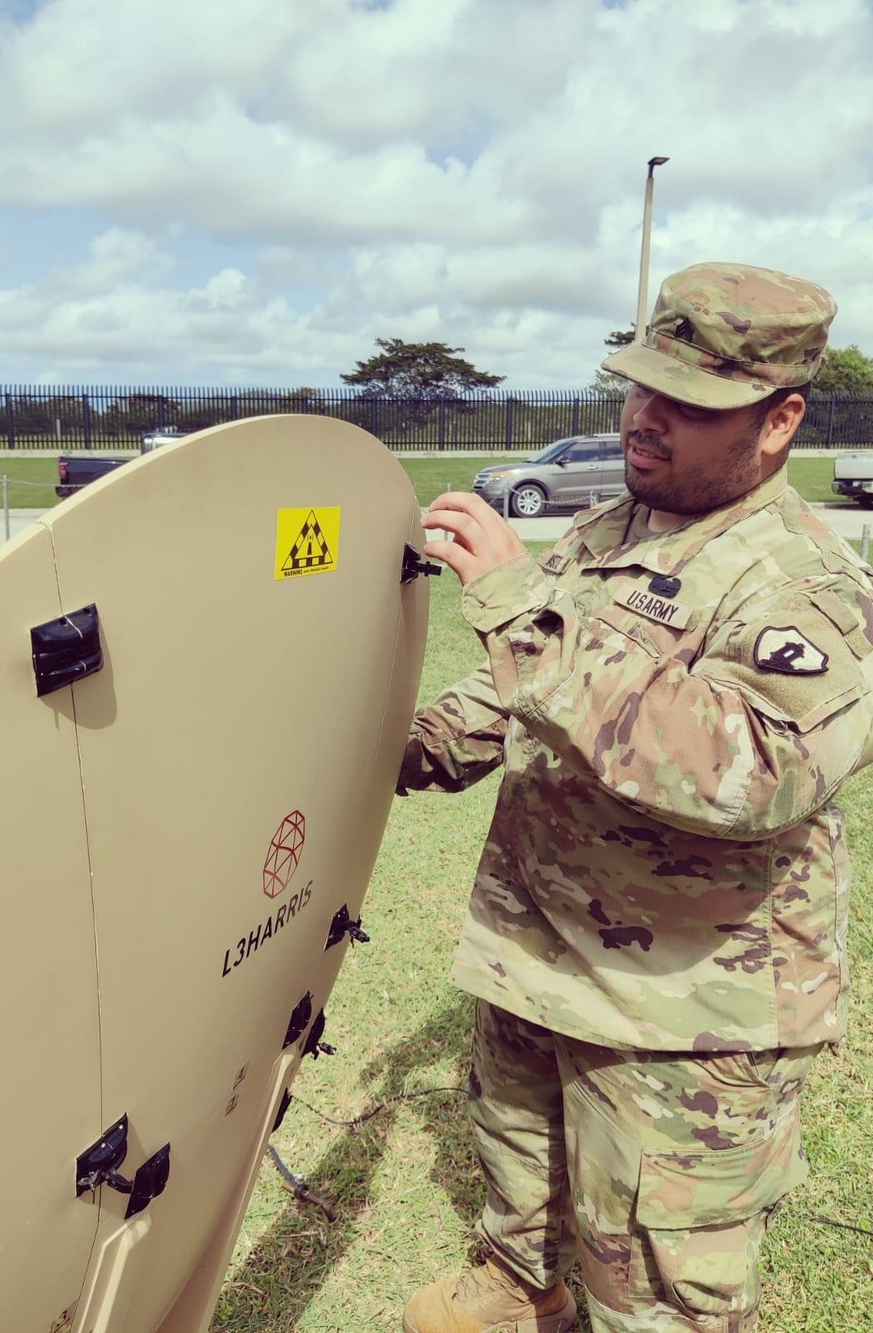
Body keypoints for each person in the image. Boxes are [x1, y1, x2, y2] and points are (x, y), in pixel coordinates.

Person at [397, 263, 873, 1333]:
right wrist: (404, 747)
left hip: (684, 1008)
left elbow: (756, 771)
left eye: (687, 405)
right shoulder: (613, 528)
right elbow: (518, 691)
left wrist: (518, 605)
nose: (643, 419)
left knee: (659, 1290)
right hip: (541, 951)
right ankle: (526, 1285)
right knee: (520, 1166)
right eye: (637, 386)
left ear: (778, 419)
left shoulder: (803, 581)